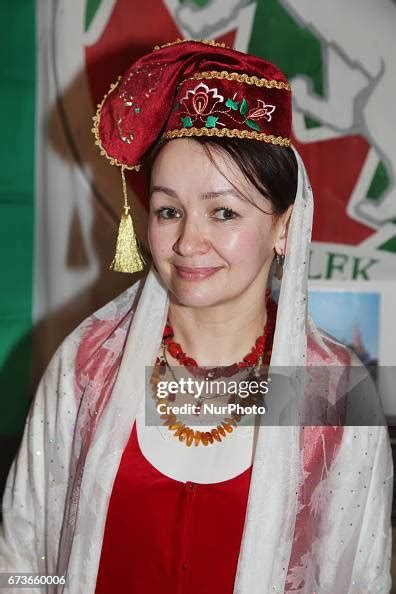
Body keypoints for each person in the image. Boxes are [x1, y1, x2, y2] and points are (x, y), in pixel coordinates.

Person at [0, 40, 393, 594]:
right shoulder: (87, 365)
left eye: (224, 211)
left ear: (285, 225)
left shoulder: (331, 391)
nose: (188, 241)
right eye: (168, 211)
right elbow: (21, 555)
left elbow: (361, 578)